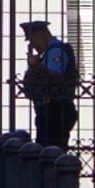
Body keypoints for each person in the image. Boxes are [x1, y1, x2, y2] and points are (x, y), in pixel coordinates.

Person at [18, 20, 80, 148]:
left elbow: (56, 78)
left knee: (52, 151)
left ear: (41, 35)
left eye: (33, 40)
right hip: (48, 110)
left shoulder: (56, 51)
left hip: (56, 110)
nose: (32, 45)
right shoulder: (46, 54)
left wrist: (36, 65)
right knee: (46, 150)